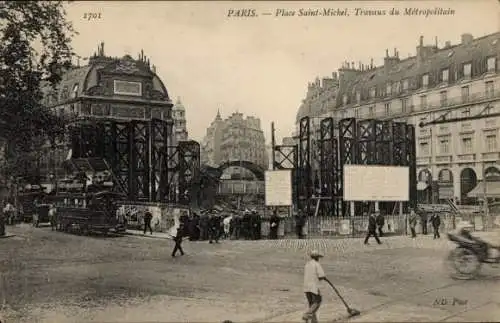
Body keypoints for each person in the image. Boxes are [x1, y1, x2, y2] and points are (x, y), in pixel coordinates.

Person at [303, 250, 328, 323]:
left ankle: (314, 321)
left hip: (306, 287)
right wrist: (324, 277)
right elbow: (321, 276)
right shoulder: (317, 264)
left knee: (311, 304)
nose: (318, 258)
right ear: (317, 257)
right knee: (318, 301)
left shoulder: (307, 264)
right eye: (318, 257)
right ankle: (307, 314)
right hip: (313, 286)